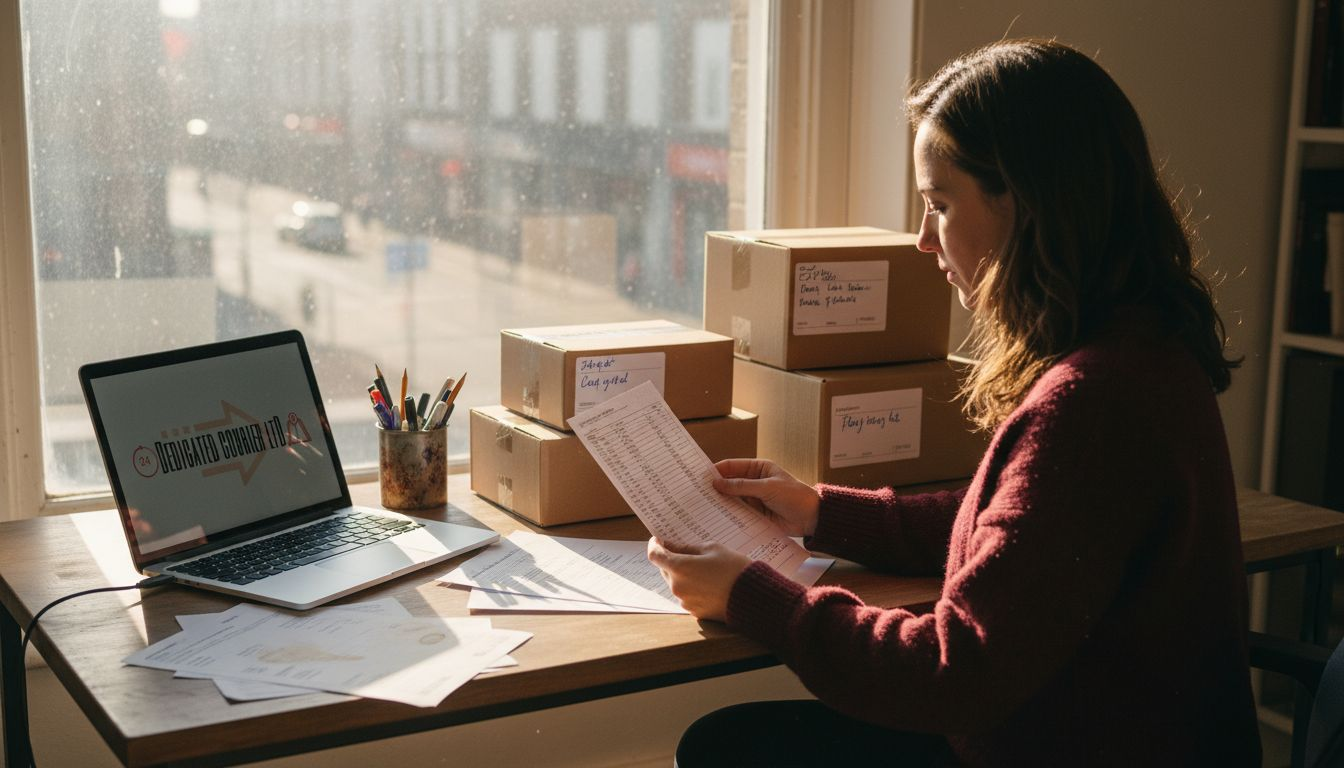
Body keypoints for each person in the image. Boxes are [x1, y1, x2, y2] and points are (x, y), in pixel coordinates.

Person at [648, 38, 1260, 767]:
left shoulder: (1093, 403)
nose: (922, 241)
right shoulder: (1143, 350)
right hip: (1080, 726)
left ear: (1026, 205)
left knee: (725, 748)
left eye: (939, 204)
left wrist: (752, 597)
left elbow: (953, 673)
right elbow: (1020, 532)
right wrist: (822, 513)